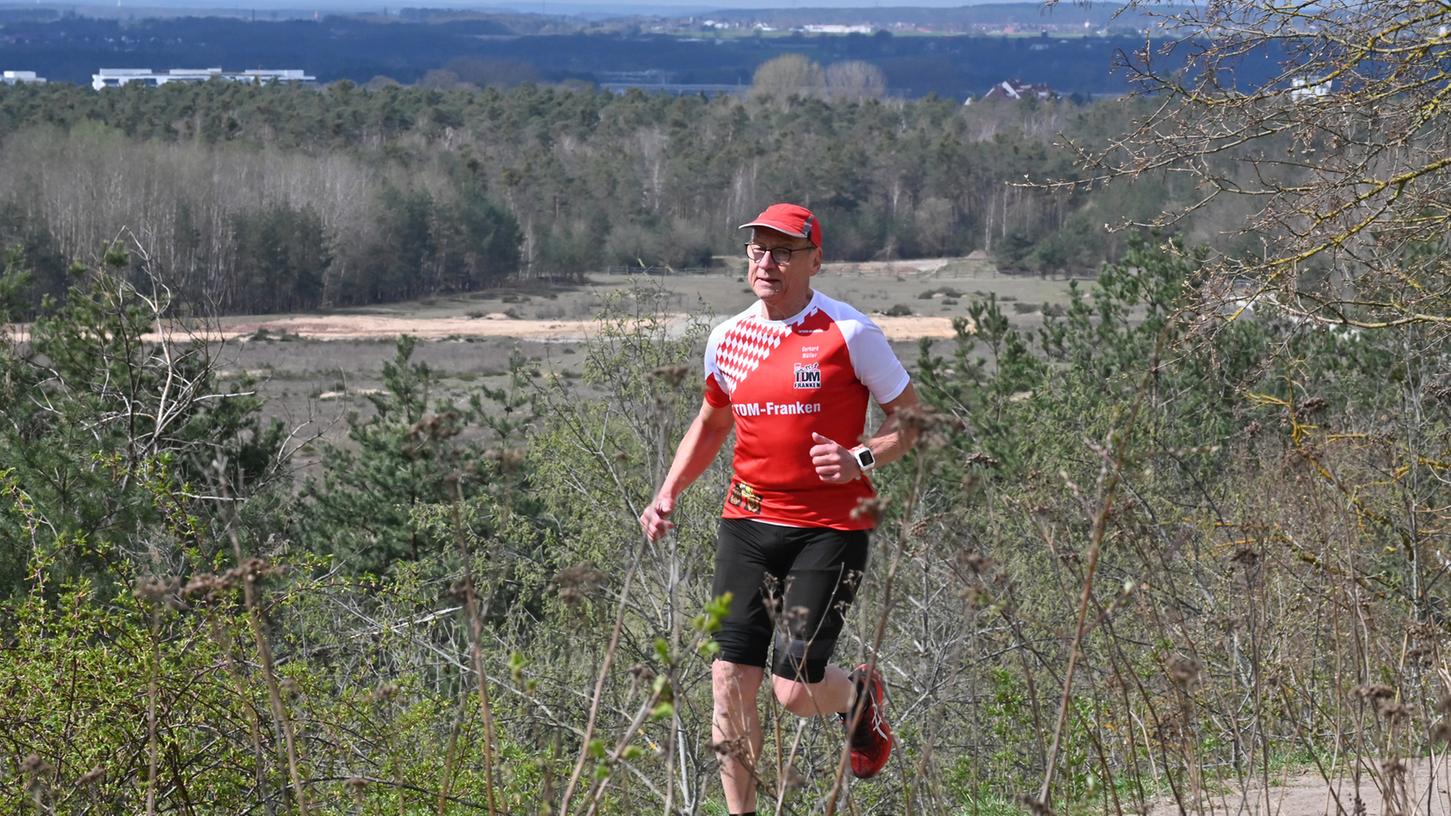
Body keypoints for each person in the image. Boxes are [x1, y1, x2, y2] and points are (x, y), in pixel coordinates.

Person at [639, 203, 920, 816]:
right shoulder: (727, 339)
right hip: (746, 523)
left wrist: (860, 459)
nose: (768, 263)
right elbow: (713, 422)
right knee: (728, 679)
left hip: (829, 529)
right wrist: (668, 491)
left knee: (793, 689)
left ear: (815, 260)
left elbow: (912, 422)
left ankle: (858, 696)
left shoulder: (849, 332)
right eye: (759, 250)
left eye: (784, 251)